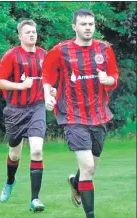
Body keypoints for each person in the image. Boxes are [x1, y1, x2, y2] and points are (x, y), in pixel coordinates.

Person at [42, 9, 119, 218]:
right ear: (74, 27)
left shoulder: (104, 49)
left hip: (99, 114)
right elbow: (47, 77)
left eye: (91, 24)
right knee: (87, 167)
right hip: (72, 115)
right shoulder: (61, 51)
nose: (88, 28)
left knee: (91, 168)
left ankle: (76, 183)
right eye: (83, 24)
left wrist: (108, 80)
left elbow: (114, 76)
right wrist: (48, 96)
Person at [0, 19, 56, 212]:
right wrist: (20, 86)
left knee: (37, 150)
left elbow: (48, 81)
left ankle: (35, 199)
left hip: (36, 107)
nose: (32, 34)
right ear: (20, 35)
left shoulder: (45, 56)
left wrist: (51, 93)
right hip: (15, 109)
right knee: (14, 153)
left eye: (34, 31)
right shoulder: (11, 56)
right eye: (28, 32)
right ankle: (10, 181)